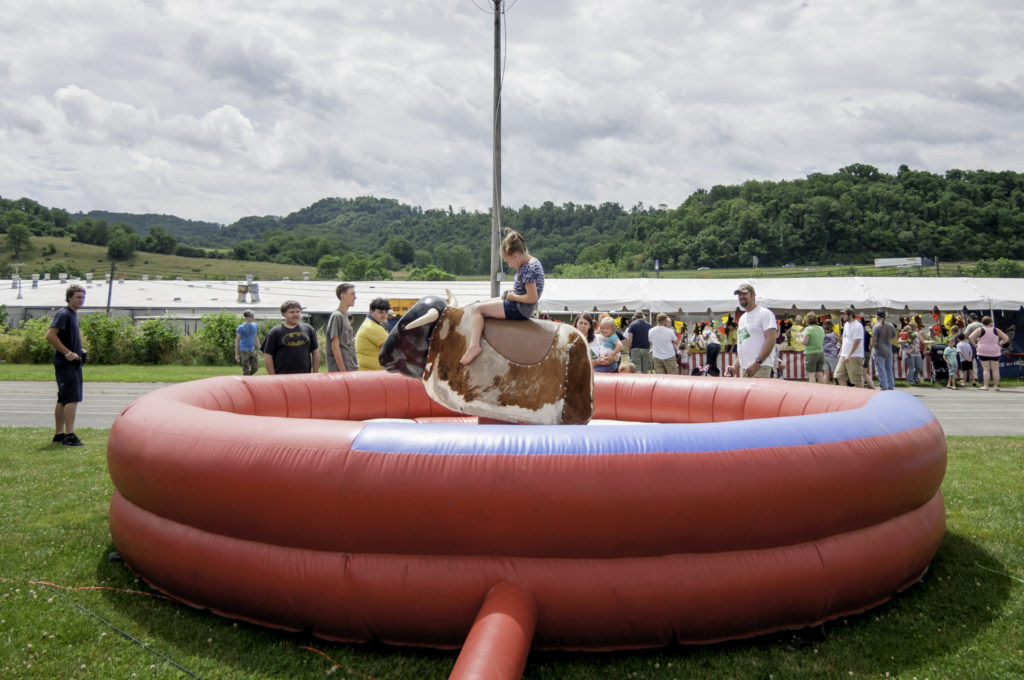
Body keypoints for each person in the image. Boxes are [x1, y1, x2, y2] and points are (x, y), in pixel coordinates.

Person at [461, 229, 544, 365]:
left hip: (520, 308)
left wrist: (513, 297)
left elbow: (532, 297)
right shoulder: (533, 262)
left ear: (515, 256)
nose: (509, 265)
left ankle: (474, 346)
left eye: (507, 261)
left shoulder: (527, 269)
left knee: (477, 309)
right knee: (479, 304)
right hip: (519, 303)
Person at [45, 284, 86, 446]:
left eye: (82, 297)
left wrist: (78, 350)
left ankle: (59, 434)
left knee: (63, 398)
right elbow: (50, 336)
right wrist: (68, 353)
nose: (81, 300)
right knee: (72, 399)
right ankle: (69, 435)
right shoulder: (64, 314)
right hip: (66, 363)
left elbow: (65, 337)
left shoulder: (72, 314)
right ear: (69, 297)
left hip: (73, 362)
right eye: (78, 297)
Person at [731, 283, 778, 378]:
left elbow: (771, 340)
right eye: (739, 295)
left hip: (760, 367)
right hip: (745, 369)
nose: (741, 297)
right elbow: (743, 344)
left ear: (753, 295)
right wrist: (735, 366)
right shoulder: (742, 318)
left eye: (744, 294)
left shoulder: (764, 313)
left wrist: (757, 362)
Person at [263, 300, 320, 375]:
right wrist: (273, 377)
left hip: (304, 376)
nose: (296, 314)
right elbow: (268, 355)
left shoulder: (308, 329)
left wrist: (315, 374)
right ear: (283, 314)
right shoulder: (275, 331)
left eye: (298, 311)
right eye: (292, 312)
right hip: (282, 377)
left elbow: (315, 352)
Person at [969, 315, 1010, 391]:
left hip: (983, 351)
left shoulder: (979, 329)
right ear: (991, 322)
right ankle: (996, 386)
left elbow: (970, 337)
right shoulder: (996, 329)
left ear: (983, 322)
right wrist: (1000, 343)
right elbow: (1006, 338)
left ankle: (986, 386)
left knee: (986, 369)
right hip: (995, 351)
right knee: (995, 369)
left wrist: (975, 345)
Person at [325, 283, 358, 372]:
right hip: (341, 371)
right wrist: (343, 371)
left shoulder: (345, 316)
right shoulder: (337, 316)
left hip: (350, 367)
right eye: (352, 294)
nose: (355, 297)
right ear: (343, 296)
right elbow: (335, 346)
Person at [355, 297, 391, 370]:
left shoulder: (369, 323)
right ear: (371, 311)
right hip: (371, 373)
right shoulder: (372, 327)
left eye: (386, 312)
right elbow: (391, 347)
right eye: (380, 312)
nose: (384, 315)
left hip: (368, 371)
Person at [834, 308, 865, 388]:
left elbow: (857, 341)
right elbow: (845, 339)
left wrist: (849, 354)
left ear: (850, 315)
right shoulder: (846, 325)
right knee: (839, 376)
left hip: (854, 356)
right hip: (844, 355)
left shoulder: (857, 325)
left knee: (856, 380)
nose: (842, 316)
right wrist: (841, 351)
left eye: (844, 314)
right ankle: (845, 395)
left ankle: (860, 396)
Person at [870, 310, 897, 391]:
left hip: (879, 350)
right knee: (889, 369)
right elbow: (894, 336)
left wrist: (871, 347)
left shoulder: (876, 326)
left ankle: (884, 387)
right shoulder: (890, 325)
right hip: (888, 349)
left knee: (881, 369)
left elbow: (873, 339)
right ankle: (890, 386)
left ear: (877, 317)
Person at [797, 313, 825, 383]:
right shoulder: (821, 328)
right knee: (820, 374)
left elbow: (805, 342)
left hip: (811, 353)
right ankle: (823, 391)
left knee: (811, 375)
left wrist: (799, 339)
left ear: (807, 320)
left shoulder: (808, 329)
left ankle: (813, 392)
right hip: (820, 352)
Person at [234, 310, 261, 375]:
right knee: (246, 369)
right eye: (251, 316)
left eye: (253, 316)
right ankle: (246, 379)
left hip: (252, 349)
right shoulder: (241, 327)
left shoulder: (255, 326)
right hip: (244, 350)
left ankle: (247, 377)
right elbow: (237, 340)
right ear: (246, 317)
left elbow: (256, 338)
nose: (253, 317)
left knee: (255, 368)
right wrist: (237, 354)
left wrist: (260, 349)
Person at [822, 319, 840, 384]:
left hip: (824, 355)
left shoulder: (822, 334)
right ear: (832, 326)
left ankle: (824, 388)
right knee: (835, 373)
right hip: (833, 355)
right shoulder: (834, 334)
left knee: (826, 374)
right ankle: (836, 387)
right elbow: (841, 341)